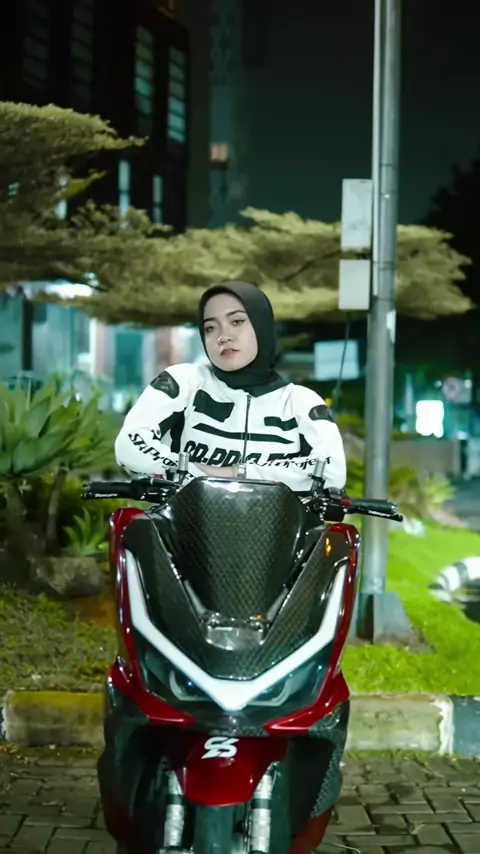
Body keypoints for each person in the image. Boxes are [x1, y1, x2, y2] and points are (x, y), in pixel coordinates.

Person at [114, 281, 347, 491]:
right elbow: (129, 444)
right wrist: (194, 475)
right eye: (210, 328)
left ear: (261, 326)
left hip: (276, 524)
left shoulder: (299, 401)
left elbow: (332, 470)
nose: (223, 336)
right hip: (184, 520)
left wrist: (236, 473)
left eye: (236, 322)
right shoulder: (184, 382)